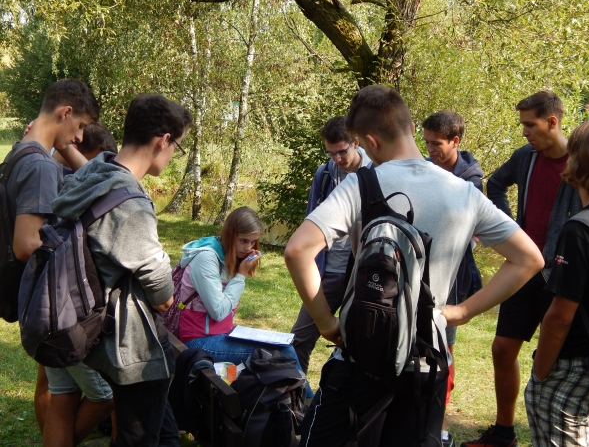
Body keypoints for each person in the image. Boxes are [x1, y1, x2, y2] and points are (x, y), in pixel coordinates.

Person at [284, 84, 544, 447]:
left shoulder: (361, 185)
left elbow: (297, 251)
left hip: (362, 353)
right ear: (408, 126)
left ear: (370, 141)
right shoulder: (463, 193)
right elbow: (529, 259)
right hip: (426, 362)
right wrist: (463, 311)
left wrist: (326, 322)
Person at [52, 93, 191, 446]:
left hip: (100, 332)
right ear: (163, 141)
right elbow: (161, 291)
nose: (174, 154)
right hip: (130, 347)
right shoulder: (129, 203)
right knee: (140, 437)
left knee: (163, 433)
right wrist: (165, 291)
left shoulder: (98, 172)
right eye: (177, 146)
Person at [463, 91, 583, 447]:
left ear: (553, 121)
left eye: (530, 125)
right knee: (502, 349)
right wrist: (510, 226)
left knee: (554, 357)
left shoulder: (582, 161)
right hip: (525, 270)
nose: (525, 132)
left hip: (563, 275)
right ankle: (504, 433)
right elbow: (496, 184)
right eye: (522, 125)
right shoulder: (525, 157)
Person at [5, 78, 114, 447]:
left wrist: (62, 144)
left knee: (62, 390)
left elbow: (91, 177)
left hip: (35, 299)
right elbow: (26, 244)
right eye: (80, 125)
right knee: (101, 391)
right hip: (50, 303)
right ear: (65, 113)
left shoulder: (21, 152)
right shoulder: (41, 168)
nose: (81, 136)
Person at [524, 122, 589, 447]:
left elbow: (560, 316)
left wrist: (541, 373)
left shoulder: (579, 230)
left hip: (574, 364)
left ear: (579, 162)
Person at [177, 206, 307, 375]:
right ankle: (305, 399)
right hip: (197, 342)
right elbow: (219, 312)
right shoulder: (206, 259)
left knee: (283, 346)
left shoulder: (227, 255)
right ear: (230, 235)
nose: (248, 248)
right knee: (284, 352)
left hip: (220, 334)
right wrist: (241, 275)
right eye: (244, 241)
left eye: (253, 242)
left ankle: (294, 397)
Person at [291, 116, 371, 374]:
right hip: (327, 272)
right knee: (299, 340)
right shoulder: (325, 174)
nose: (337, 159)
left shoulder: (375, 173)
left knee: (360, 344)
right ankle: (297, 403)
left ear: (356, 143)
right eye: (331, 153)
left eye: (342, 152)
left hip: (362, 275)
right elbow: (310, 220)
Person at [422, 110, 484, 447]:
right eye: (426, 142)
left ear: (455, 141)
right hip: (419, 274)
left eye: (436, 144)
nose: (429, 149)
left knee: (443, 351)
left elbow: (468, 228)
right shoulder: (423, 168)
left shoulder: (470, 179)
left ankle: (440, 425)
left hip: (452, 282)